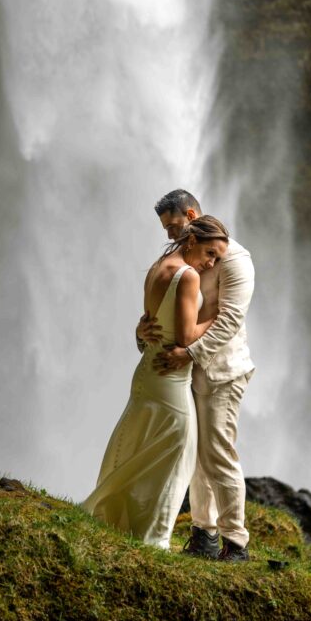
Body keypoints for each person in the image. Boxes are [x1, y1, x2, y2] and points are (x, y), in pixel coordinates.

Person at [83, 215, 229, 549]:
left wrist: (139, 331)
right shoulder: (188, 276)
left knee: (139, 444)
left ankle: (117, 519)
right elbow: (185, 336)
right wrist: (217, 317)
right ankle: (153, 539)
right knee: (179, 450)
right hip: (170, 378)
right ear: (191, 241)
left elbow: (150, 320)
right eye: (210, 254)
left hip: (148, 370)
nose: (210, 264)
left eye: (217, 259)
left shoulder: (157, 266)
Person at [140, 189, 255, 562]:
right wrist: (143, 332)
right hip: (186, 369)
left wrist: (188, 351)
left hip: (223, 372)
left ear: (190, 216)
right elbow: (162, 309)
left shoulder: (234, 260)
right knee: (196, 453)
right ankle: (203, 535)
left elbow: (229, 320)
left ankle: (236, 544)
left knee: (218, 454)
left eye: (174, 226)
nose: (170, 235)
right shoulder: (179, 258)